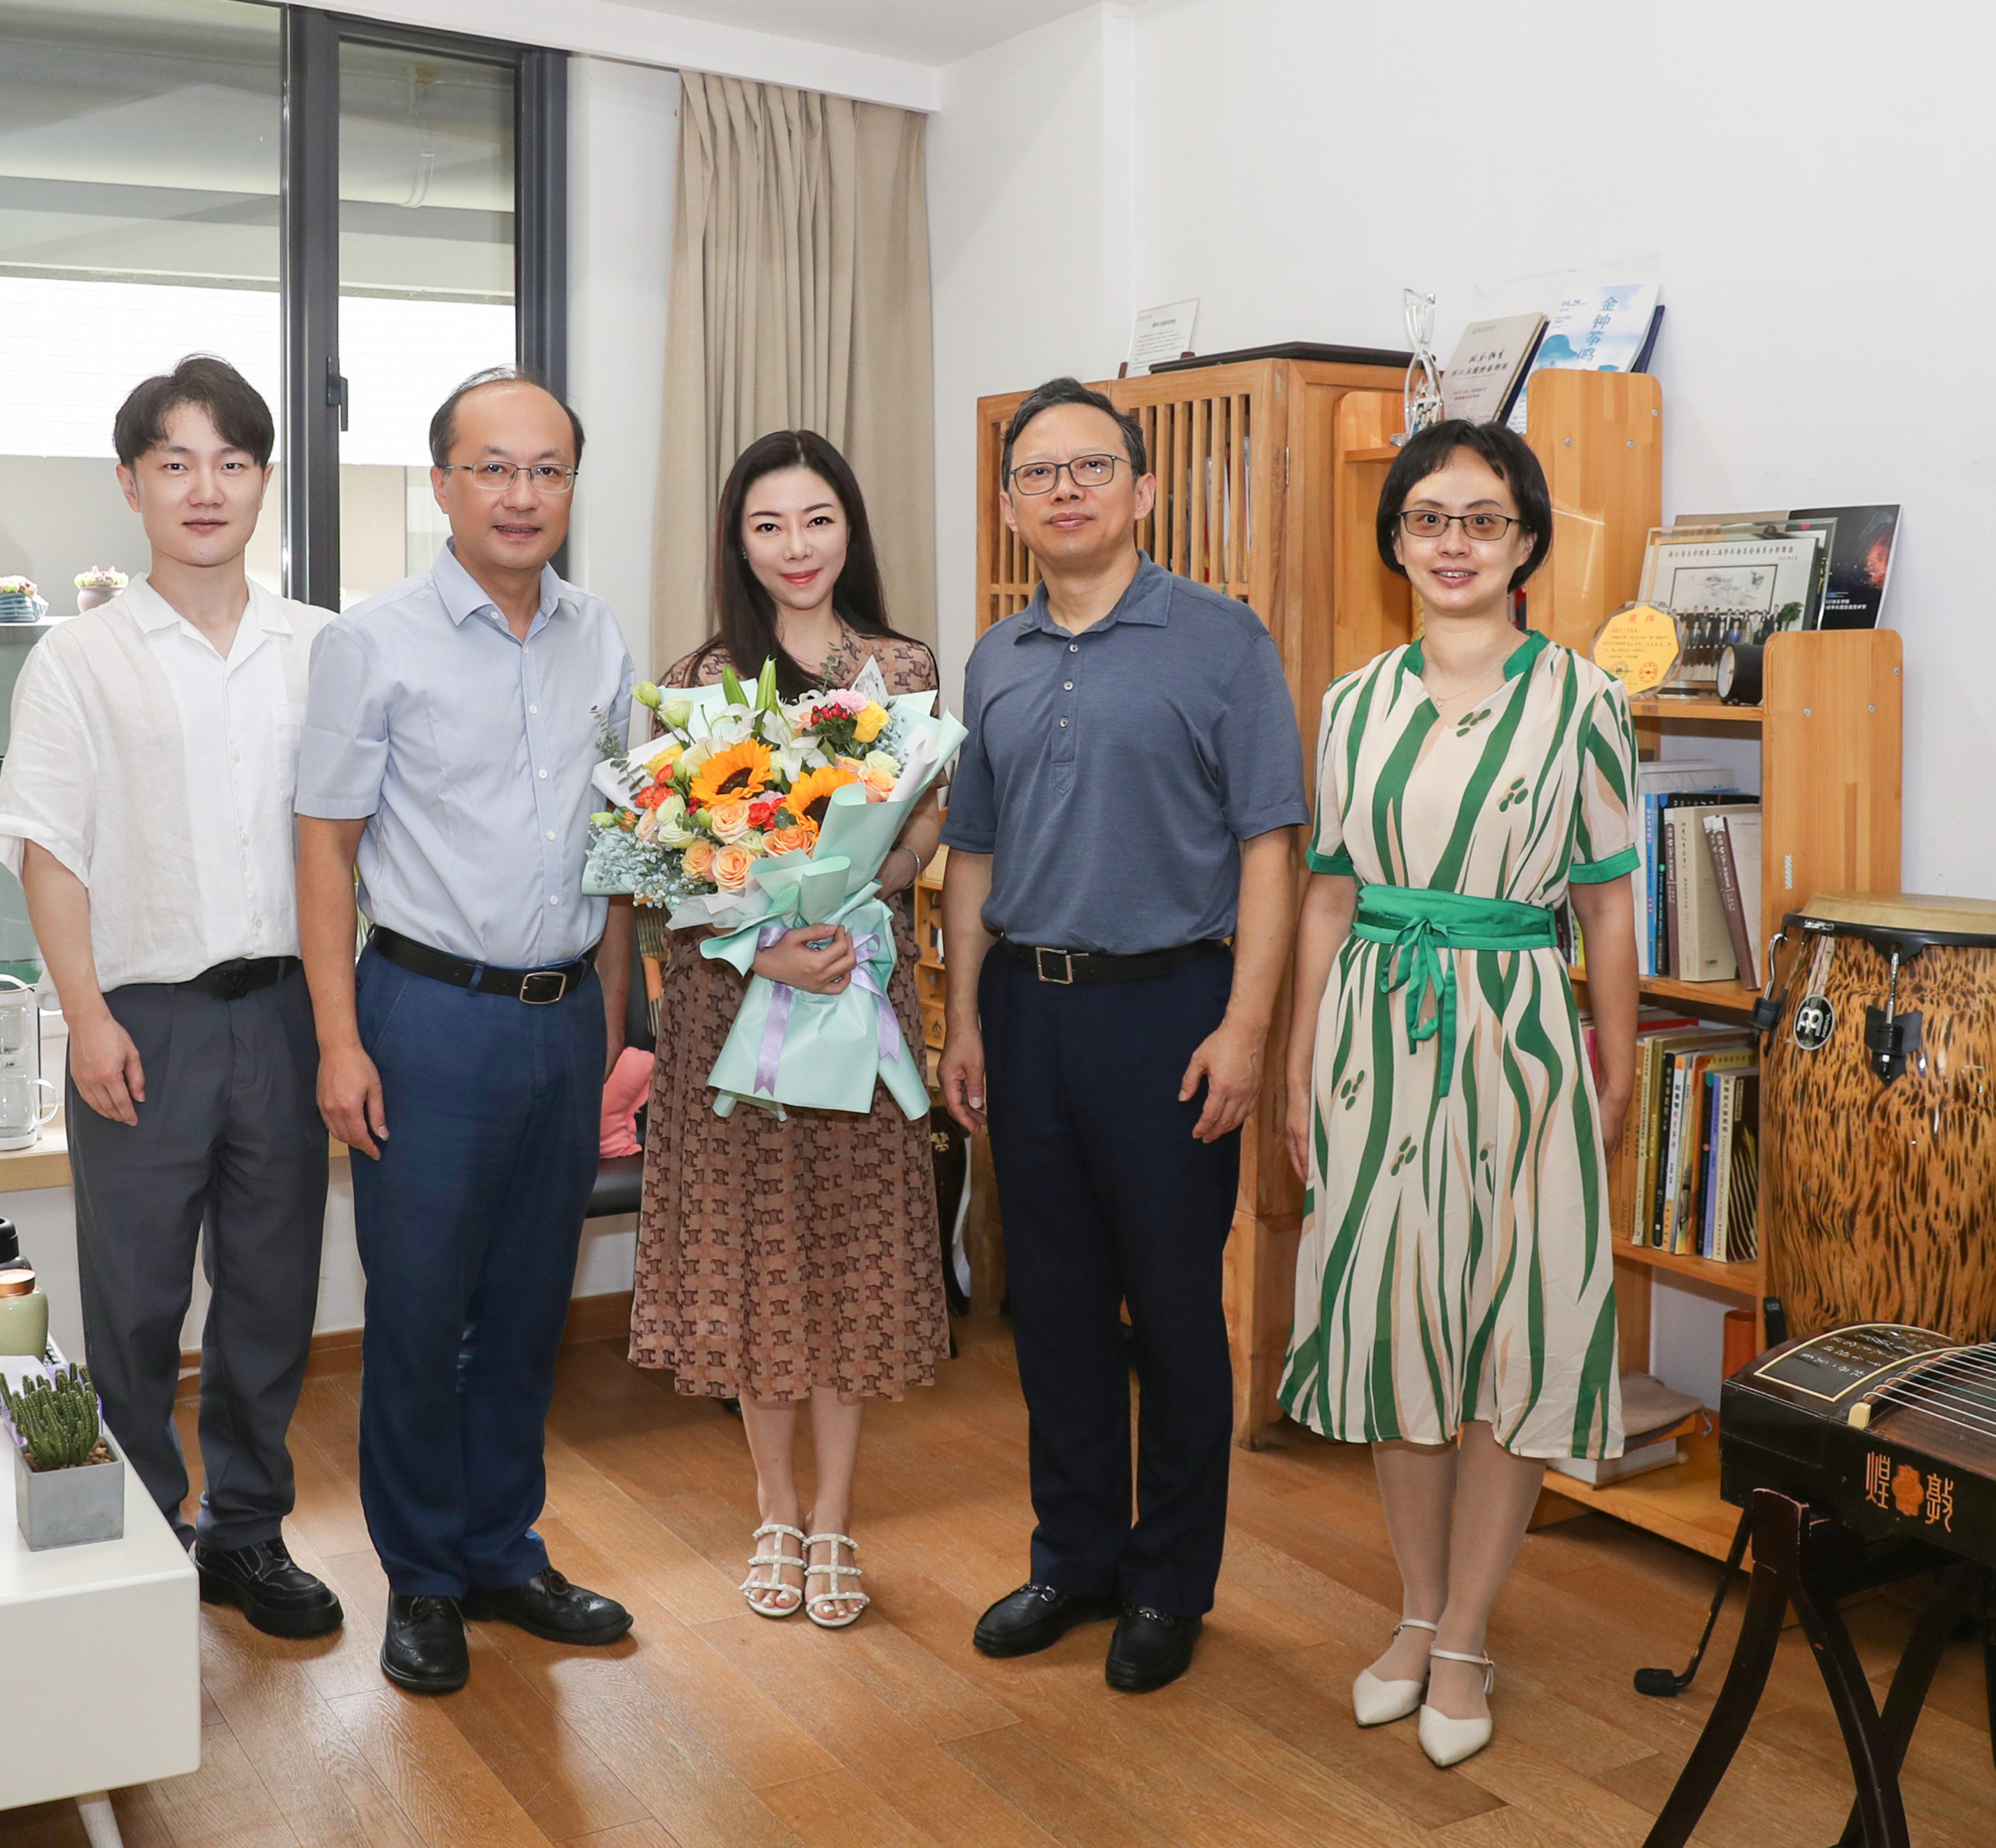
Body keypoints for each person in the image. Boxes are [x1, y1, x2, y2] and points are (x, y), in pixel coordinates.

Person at [1278, 416, 1640, 1769]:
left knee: (1513, 1322)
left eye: (1483, 520)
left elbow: (1608, 906)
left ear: (1525, 543)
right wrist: (1302, 1058)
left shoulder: (1586, 699)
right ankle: (1418, 1610)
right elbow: (1328, 894)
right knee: (1397, 1322)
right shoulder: (1352, 701)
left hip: (1521, 1034)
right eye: (1428, 517)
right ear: (1396, 539)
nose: (1453, 542)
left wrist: (1615, 1063)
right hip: (1376, 1031)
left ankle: (1470, 1632)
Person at [938, 376, 1305, 1694]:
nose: (1067, 490)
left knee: (1175, 1313)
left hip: (1171, 1014)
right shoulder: (996, 655)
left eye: (1092, 466)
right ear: (1010, 507)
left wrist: (1247, 1026)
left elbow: (1272, 846)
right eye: (1039, 473)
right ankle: (1074, 1558)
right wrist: (963, 1016)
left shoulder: (1222, 639)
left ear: (1144, 490)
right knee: (1054, 1310)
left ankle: (1168, 1583)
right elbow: (971, 852)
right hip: (1027, 1013)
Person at [0, 353, 340, 1640]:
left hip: (290, 1010)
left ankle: (246, 1533)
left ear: (264, 481)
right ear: (131, 484)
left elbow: (354, 839)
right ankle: (139, 1531)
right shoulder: (78, 657)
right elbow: (49, 848)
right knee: (134, 1298)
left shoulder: (322, 648)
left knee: (271, 1289)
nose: (206, 488)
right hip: (144, 1019)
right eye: (176, 462)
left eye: (232, 462)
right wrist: (84, 1016)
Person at [295, 367, 639, 1695]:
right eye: (493, 467)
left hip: (566, 1018)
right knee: (420, 1312)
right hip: (426, 1016)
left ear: (571, 487)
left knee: (527, 1307)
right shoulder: (371, 641)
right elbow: (325, 850)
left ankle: (504, 1551)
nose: (521, 493)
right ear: (441, 482)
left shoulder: (599, 636)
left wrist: (613, 1020)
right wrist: (339, 1040)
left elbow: (622, 845)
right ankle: (425, 1578)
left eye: (547, 469)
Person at [626, 429, 949, 1631]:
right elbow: (667, 871)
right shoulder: (701, 681)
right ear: (739, 541)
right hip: (738, 1005)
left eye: (817, 519)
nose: (796, 546)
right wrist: (765, 942)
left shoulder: (901, 670)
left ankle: (836, 1520)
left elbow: (924, 826)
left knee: (848, 1258)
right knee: (756, 1259)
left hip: (857, 986)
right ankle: (773, 1508)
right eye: (769, 525)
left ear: (849, 528)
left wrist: (860, 894)